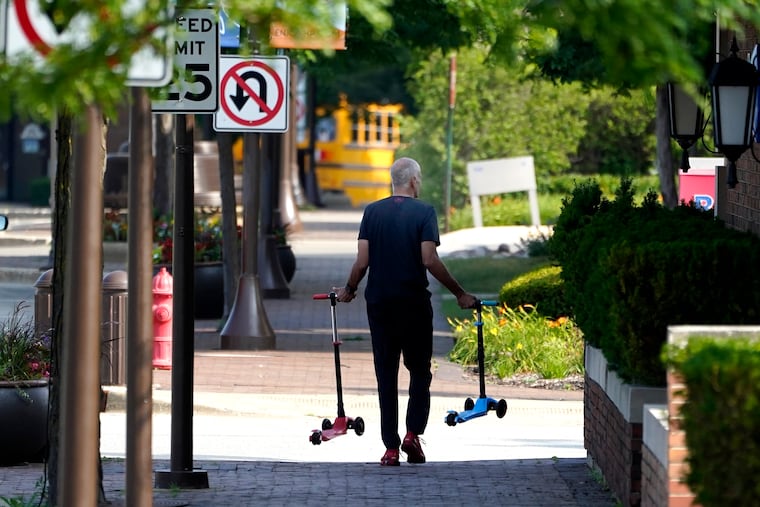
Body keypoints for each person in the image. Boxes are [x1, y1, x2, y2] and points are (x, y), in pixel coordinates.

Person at [336, 157, 477, 466]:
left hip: (380, 304)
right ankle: (413, 435)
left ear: (393, 181)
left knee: (385, 374)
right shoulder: (424, 212)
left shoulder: (372, 212)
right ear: (414, 181)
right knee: (419, 371)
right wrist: (459, 293)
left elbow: (362, 261)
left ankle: (390, 448)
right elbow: (429, 259)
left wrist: (349, 289)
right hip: (413, 303)